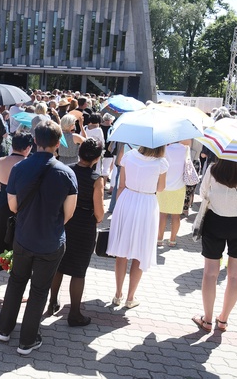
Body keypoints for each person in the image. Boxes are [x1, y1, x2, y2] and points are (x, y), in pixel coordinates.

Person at [0, 120, 78, 356]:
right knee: (40, 290)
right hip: (51, 241)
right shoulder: (67, 173)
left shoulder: (18, 169)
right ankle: (27, 340)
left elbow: (12, 206)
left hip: (23, 237)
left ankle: (4, 329)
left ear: (34, 141)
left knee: (16, 281)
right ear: (58, 143)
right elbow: (69, 213)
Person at [192, 159, 237, 332]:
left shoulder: (213, 169)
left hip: (214, 222)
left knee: (210, 273)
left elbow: (203, 193)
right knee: (235, 276)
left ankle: (207, 320)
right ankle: (223, 319)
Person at [47, 138, 105, 325]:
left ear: (79, 153)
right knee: (79, 271)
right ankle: (74, 313)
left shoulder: (67, 170)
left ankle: (52, 301)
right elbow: (99, 213)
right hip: (85, 226)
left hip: (64, 221)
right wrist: (98, 218)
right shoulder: (96, 179)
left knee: (58, 265)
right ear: (97, 158)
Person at [107, 145, 168, 308]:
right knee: (140, 252)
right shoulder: (161, 163)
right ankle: (130, 297)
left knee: (121, 252)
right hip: (147, 203)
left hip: (127, 199)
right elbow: (161, 188)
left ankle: (118, 294)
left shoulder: (129, 156)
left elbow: (121, 185)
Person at [0, 132, 33, 296]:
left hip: (3, 204)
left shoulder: (1, 161)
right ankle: (19, 292)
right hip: (22, 205)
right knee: (20, 247)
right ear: (28, 148)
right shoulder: (28, 163)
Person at [157, 142, 189, 247]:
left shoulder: (164, 149)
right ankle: (172, 240)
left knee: (162, 214)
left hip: (164, 185)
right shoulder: (185, 149)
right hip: (179, 185)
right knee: (176, 215)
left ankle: (159, 239)